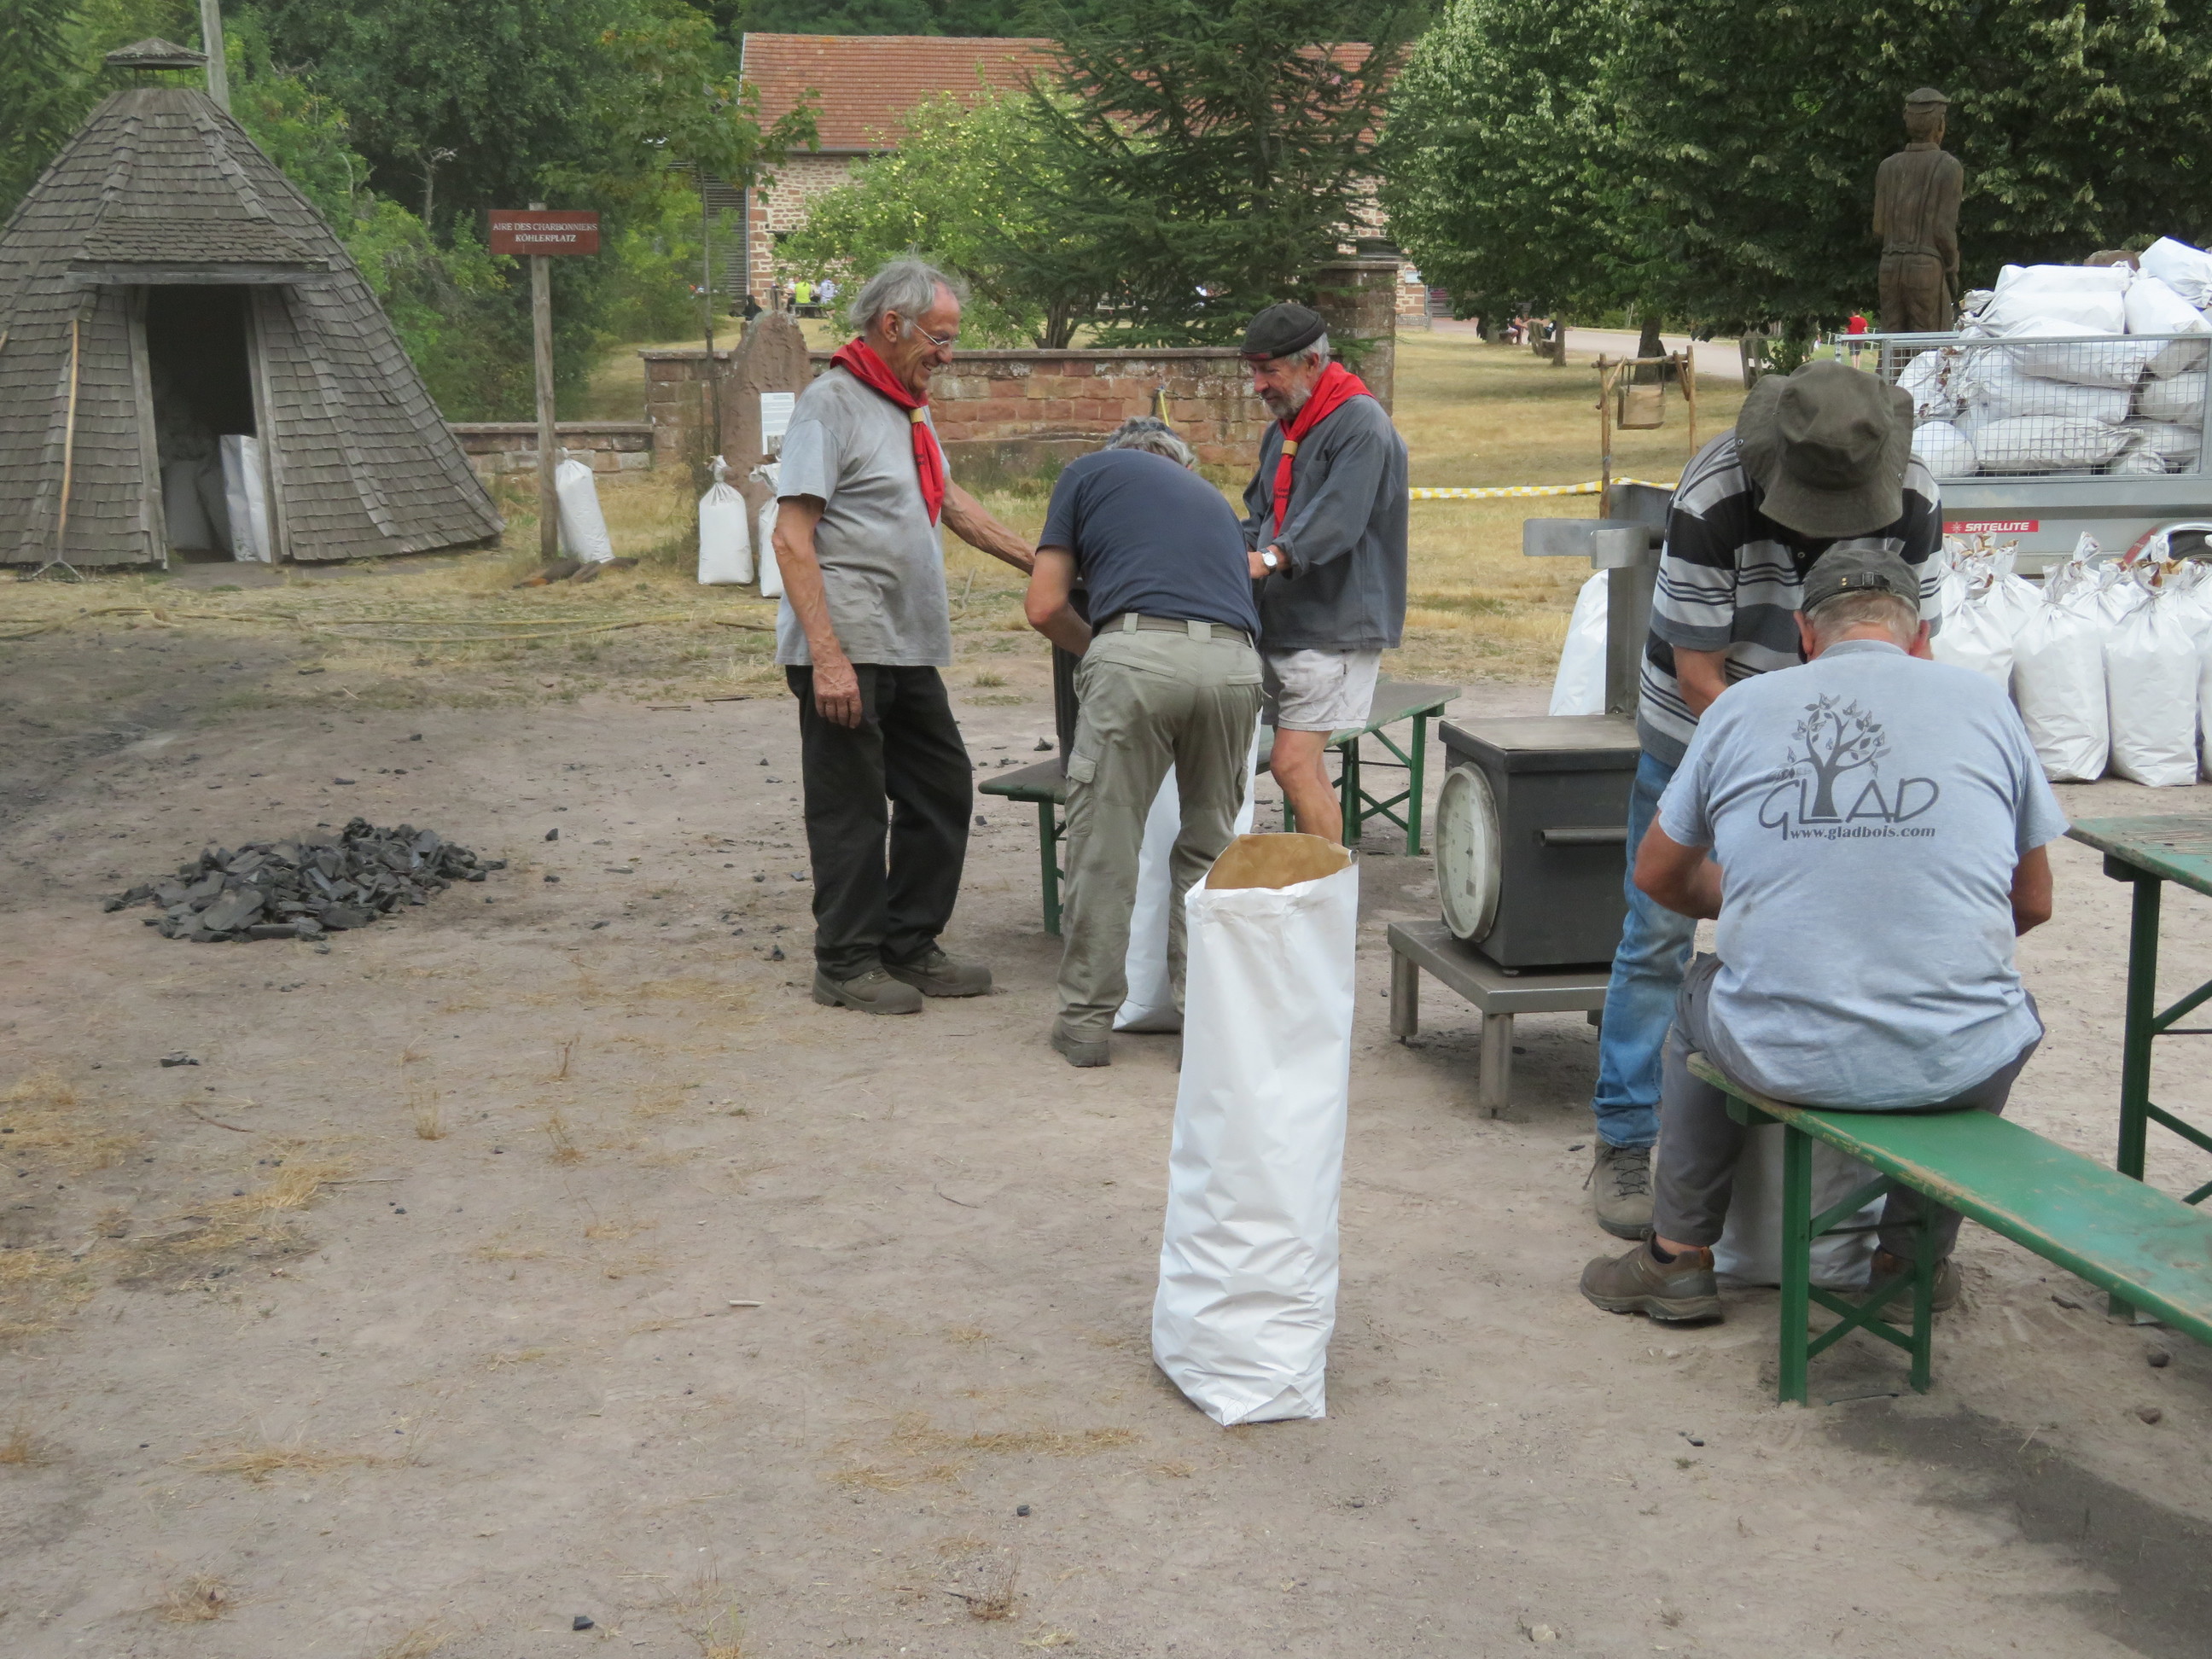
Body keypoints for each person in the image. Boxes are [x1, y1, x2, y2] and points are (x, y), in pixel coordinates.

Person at [1579, 546, 2062, 1324]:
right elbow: (2032, 901)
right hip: (1955, 1060)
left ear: (1805, 634)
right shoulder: (1986, 704)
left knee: (1696, 993)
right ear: (1918, 636)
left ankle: (1677, 1258)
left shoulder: (1741, 706)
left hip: (1781, 1054)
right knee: (1994, 1015)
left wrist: (1761, 898)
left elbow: (1657, 874)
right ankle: (1908, 1265)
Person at [1584, 358, 1941, 1239]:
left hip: (1846, 745)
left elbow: (1916, 651)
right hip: (1703, 727)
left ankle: (1832, 1130)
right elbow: (1699, 673)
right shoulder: (1714, 493)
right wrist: (1785, 759)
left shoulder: (1915, 491)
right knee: (1658, 933)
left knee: (1841, 924)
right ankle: (1625, 1137)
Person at [771, 258, 1034, 1015]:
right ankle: (846, 962)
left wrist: (1046, 564)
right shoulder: (831, 405)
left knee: (941, 787)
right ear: (893, 325)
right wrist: (827, 659)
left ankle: (908, 943)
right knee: (852, 808)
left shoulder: (906, 407)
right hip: (847, 643)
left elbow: (951, 502)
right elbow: (791, 536)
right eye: (939, 339)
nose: (947, 355)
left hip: (906, 641)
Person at [1024, 416, 1265, 1068]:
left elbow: (1044, 605)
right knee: (1210, 851)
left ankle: (1084, 1025)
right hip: (1237, 666)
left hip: (1136, 659)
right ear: (1179, 466)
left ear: (1118, 459)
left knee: (1106, 846)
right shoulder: (1214, 502)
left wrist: (1101, 648)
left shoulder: (1086, 474)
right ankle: (1205, 1033)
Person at [1237, 302, 1409, 846]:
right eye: (1254, 372)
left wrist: (1266, 560)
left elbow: (1338, 521)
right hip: (1284, 620)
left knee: (1291, 763)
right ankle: (1328, 881)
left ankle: (1325, 885)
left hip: (1334, 624)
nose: (1259, 386)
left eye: (1269, 371)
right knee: (1303, 768)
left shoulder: (1361, 423)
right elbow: (1261, 518)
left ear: (1311, 362)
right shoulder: (1284, 430)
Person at [1872, 89, 1963, 335]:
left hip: (1889, 265)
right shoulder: (1948, 166)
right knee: (1927, 344)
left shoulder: (1887, 167)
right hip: (1926, 264)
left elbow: (1879, 228)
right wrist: (1952, 265)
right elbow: (1943, 229)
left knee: (1892, 343)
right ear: (1940, 125)